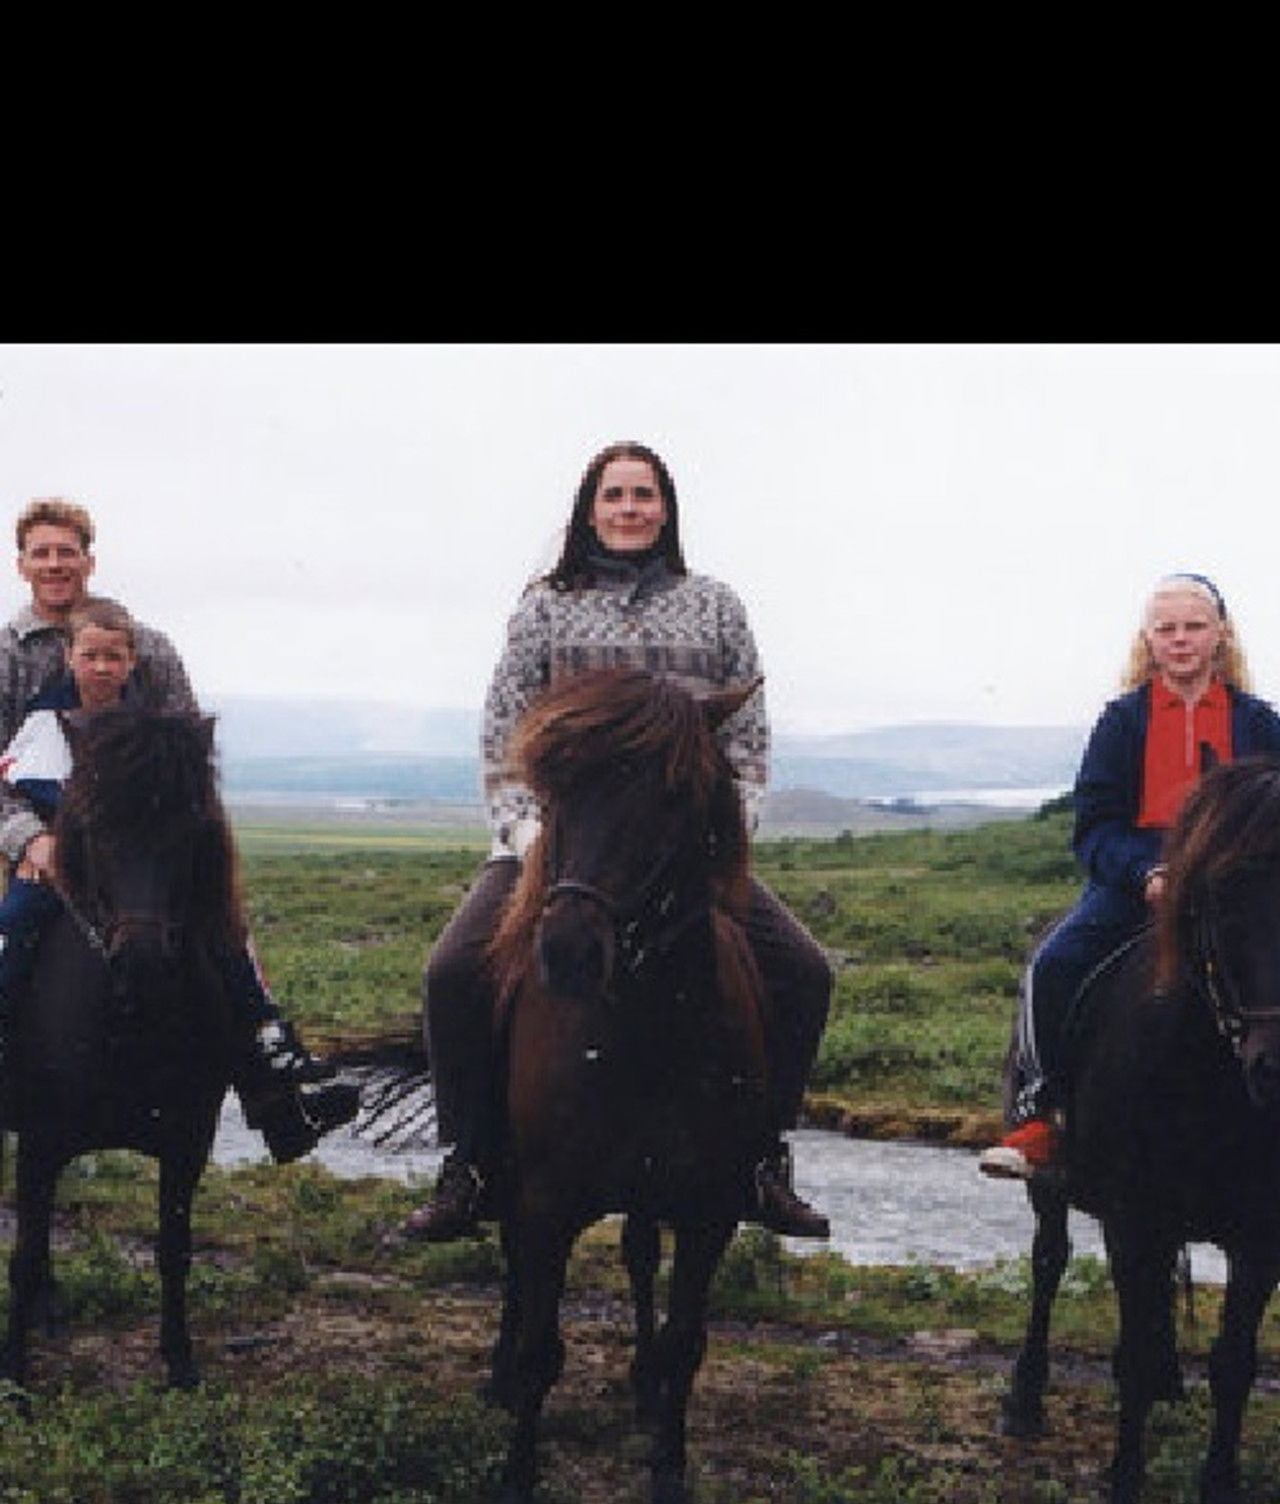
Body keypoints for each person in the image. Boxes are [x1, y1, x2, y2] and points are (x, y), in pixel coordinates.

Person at [402, 440, 834, 1242]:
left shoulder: (716, 606)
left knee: (804, 972)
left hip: (679, 849)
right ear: (589, 510)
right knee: (453, 971)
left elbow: (747, 740)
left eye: (644, 494)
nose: (629, 509)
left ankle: (761, 1158)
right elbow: (503, 732)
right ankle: (469, 1164)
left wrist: (722, 836)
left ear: (666, 509)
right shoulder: (545, 609)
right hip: (562, 849)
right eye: (614, 495)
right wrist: (529, 835)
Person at [0, 503, 358, 1161]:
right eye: (41, 552)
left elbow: (187, 748)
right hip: (45, 842)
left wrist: (173, 838)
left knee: (219, 928)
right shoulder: (7, 656)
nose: (54, 564)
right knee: (13, 931)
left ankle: (275, 1088)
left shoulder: (150, 647)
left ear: (88, 560)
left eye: (66, 551)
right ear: (22, 564)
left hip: (144, 845)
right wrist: (28, 837)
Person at [980, 570, 1280, 1180]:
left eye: (1193, 626)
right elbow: (1094, 825)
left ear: (1221, 635)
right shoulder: (1122, 721)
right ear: (1148, 640)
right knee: (1052, 966)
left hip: (1234, 880)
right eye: (1166, 629)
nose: (1180, 639)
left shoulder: (1258, 722)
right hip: (1139, 878)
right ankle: (1041, 1115)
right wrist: (1145, 871)